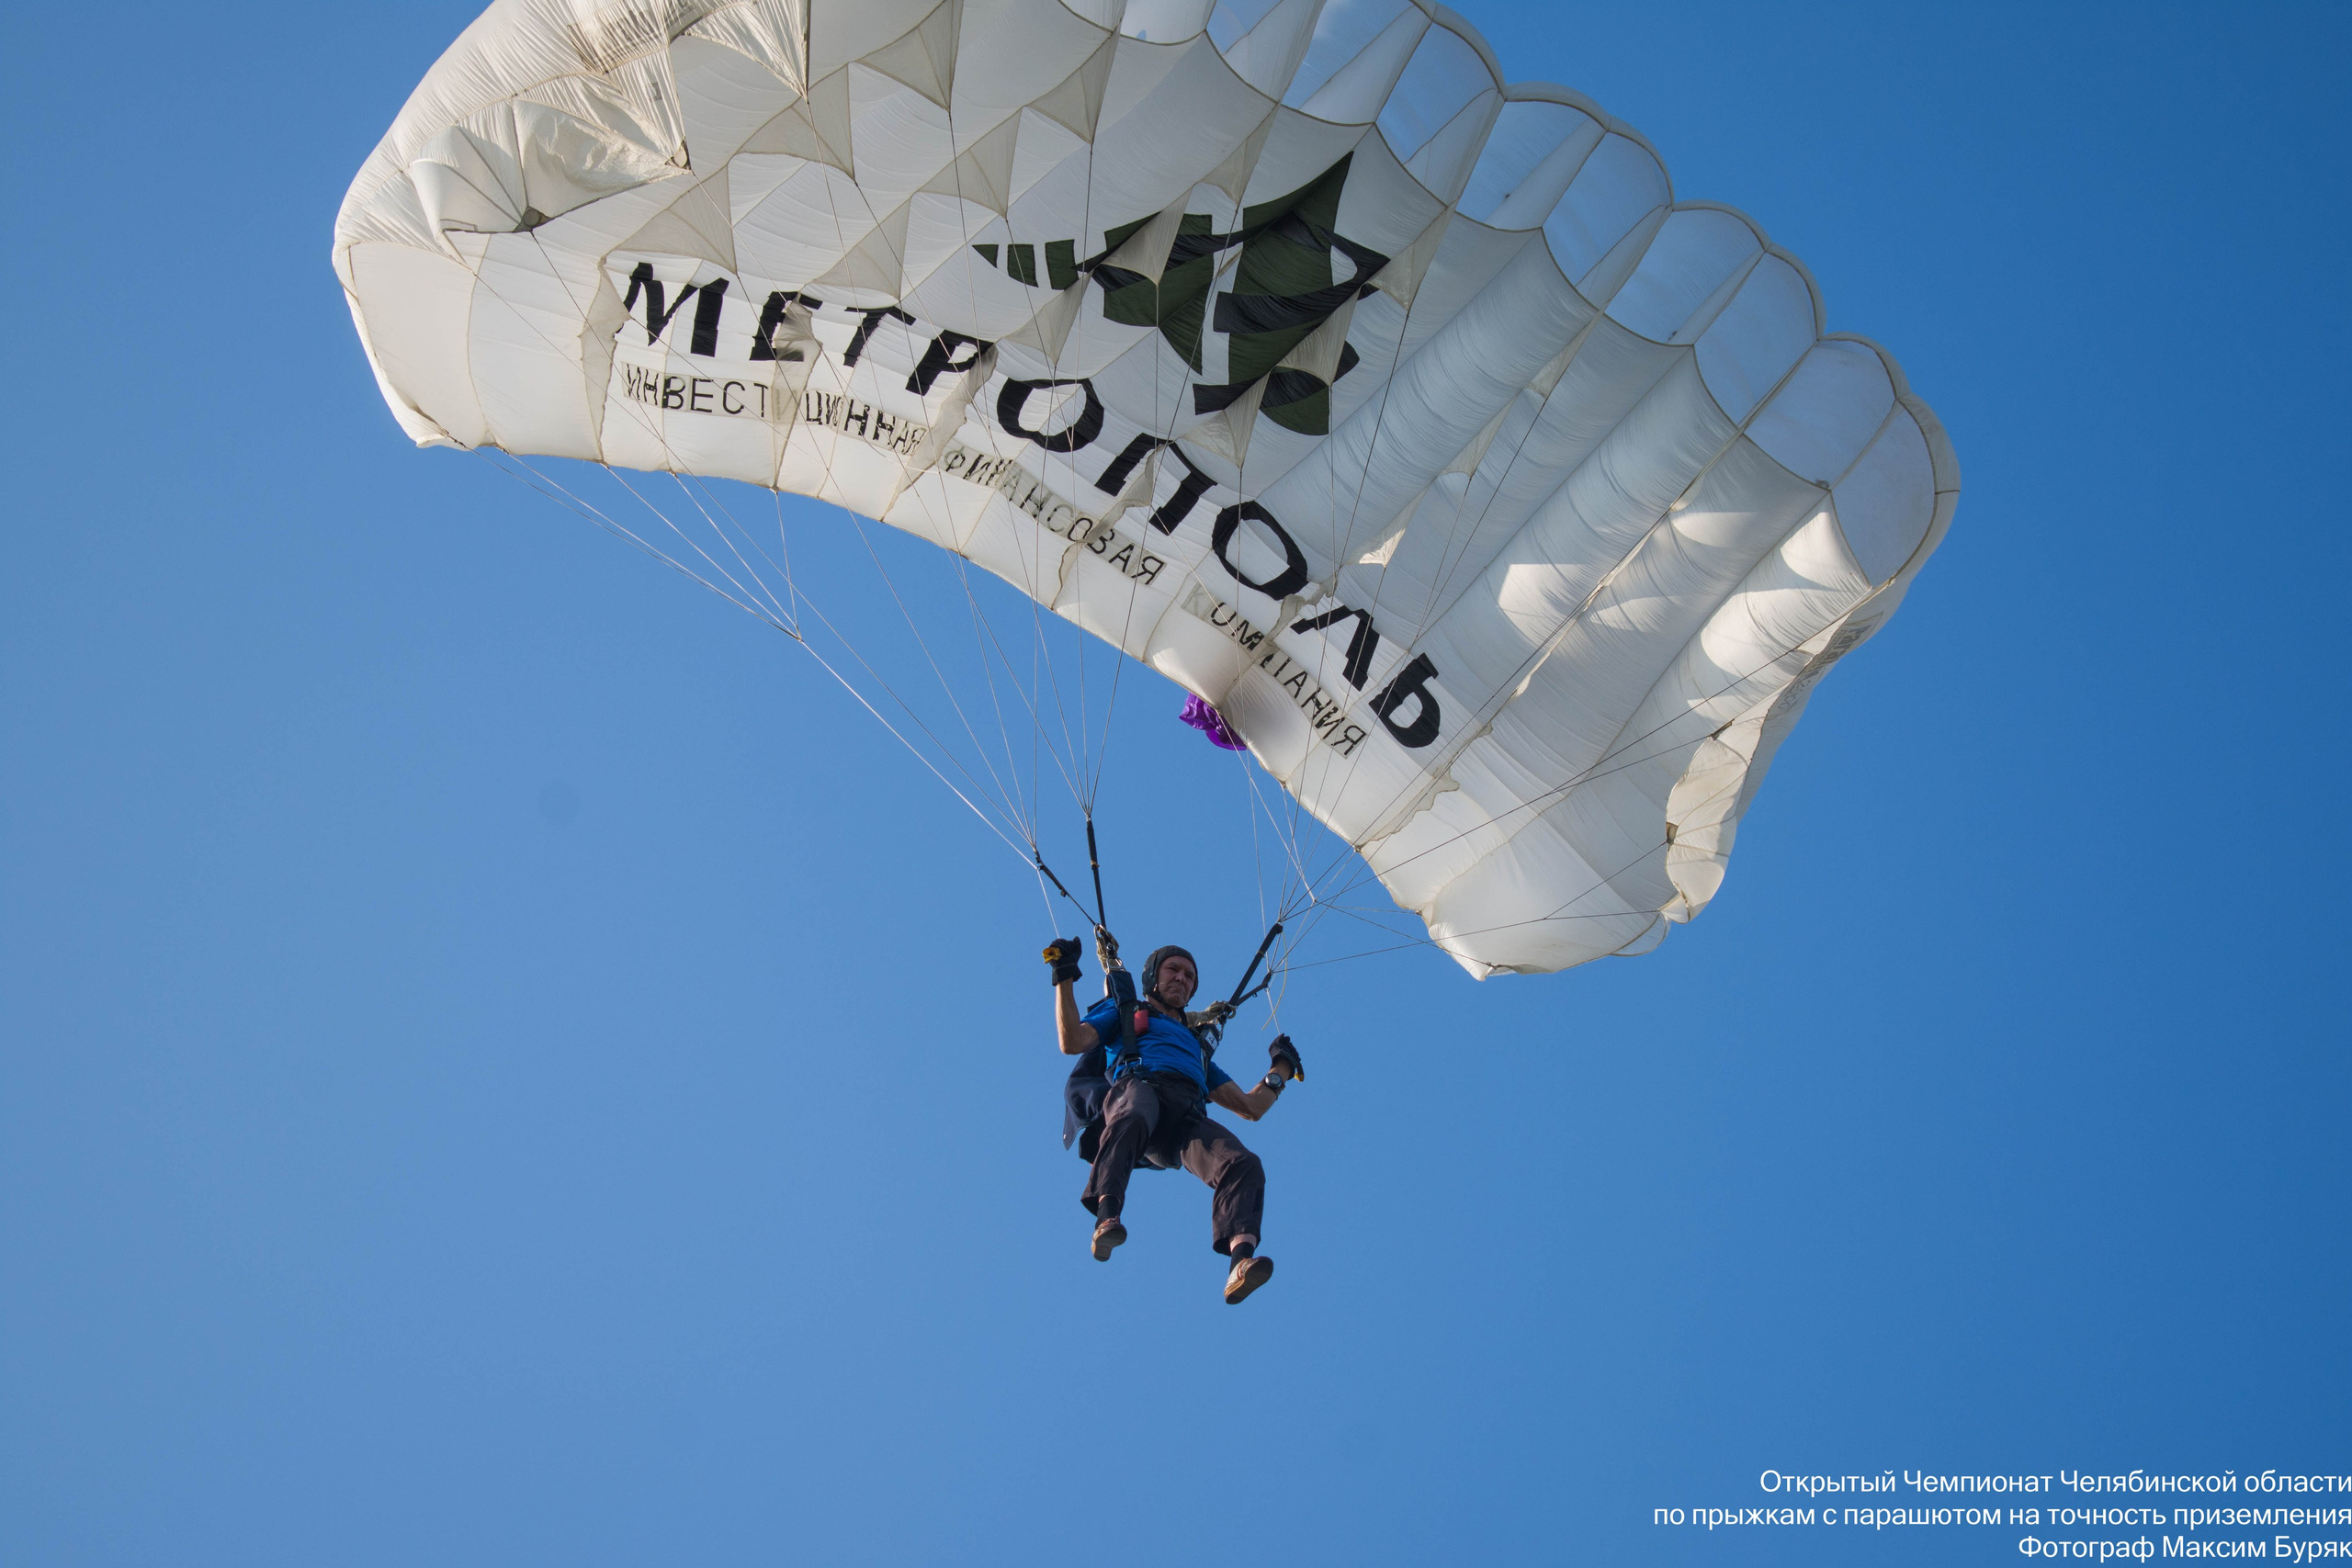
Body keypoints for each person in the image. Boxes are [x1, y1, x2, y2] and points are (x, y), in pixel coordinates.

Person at [1044, 933, 1304, 1304]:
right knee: (1132, 1114)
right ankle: (1106, 1217)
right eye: (1174, 970)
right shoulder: (1127, 1011)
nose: (1182, 979)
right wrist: (1064, 973)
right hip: (1139, 1089)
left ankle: (1240, 1264)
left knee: (1244, 1164)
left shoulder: (1195, 1047)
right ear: (1153, 977)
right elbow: (1071, 1040)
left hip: (1186, 1116)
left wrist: (1281, 1068)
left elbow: (1252, 1107)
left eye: (1190, 976)